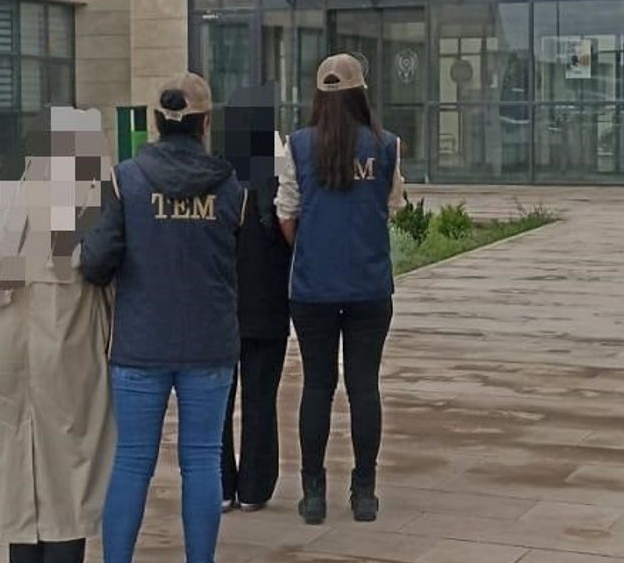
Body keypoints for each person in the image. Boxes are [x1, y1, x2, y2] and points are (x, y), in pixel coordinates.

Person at [81, 73, 246, 563]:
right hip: (210, 342)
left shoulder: (126, 179)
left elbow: (95, 263)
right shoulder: (231, 185)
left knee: (132, 461)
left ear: (155, 121)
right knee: (202, 460)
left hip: (140, 342)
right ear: (206, 123)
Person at [0, 107, 116, 563]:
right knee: (69, 482)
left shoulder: (2, 203)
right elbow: (107, 277)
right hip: (68, 361)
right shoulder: (87, 200)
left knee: (18, 480)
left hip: (6, 362)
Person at [275, 54, 407, 525]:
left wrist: (313, 246)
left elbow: (286, 213)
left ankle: (313, 494)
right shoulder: (386, 145)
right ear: (361, 93)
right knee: (364, 386)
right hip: (369, 285)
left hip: (313, 288)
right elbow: (393, 205)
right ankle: (364, 491)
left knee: (317, 386)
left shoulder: (298, 145)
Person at [220, 84, 292, 514]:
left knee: (218, 403)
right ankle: (255, 487)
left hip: (221, 308)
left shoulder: (216, 182)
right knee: (261, 399)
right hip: (268, 307)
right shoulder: (280, 180)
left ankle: (221, 485)